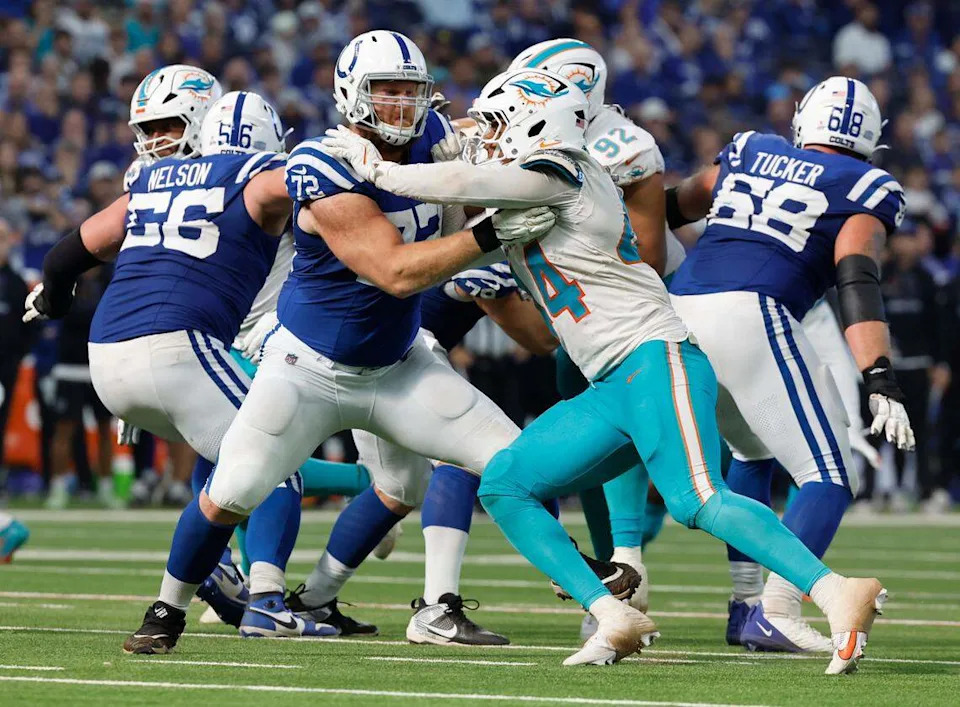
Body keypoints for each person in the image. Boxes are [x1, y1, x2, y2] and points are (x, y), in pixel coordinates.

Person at [325, 66, 889, 674]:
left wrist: (380, 171)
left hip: (655, 358)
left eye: (496, 123)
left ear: (534, 123)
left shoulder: (563, 170)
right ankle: (613, 613)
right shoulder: (530, 179)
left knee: (697, 499)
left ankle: (835, 589)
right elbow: (462, 172)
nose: (485, 135)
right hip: (612, 382)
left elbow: (464, 177)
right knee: (507, 484)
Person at [110, 31, 552, 655]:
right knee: (238, 483)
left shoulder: (430, 136)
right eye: (386, 91)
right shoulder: (308, 165)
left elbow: (471, 142)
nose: (402, 105)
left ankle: (598, 594)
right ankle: (177, 606)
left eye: (410, 91)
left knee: (460, 472)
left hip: (391, 355)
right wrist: (488, 236)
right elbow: (392, 269)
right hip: (301, 357)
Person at [23, 73, 329, 644]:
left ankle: (200, 589)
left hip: (110, 352)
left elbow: (66, 255)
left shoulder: (147, 179)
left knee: (223, 464)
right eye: (150, 128)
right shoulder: (255, 175)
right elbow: (319, 188)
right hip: (185, 344)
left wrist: (54, 300)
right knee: (273, 462)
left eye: (169, 126)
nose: (157, 140)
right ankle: (264, 600)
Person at [667, 76, 914, 653]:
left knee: (751, 451)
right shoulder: (866, 184)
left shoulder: (751, 148)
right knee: (832, 472)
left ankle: (745, 603)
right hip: (752, 313)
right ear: (871, 140)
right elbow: (857, 277)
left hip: (678, 308)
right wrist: (879, 375)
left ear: (804, 119)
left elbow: (671, 206)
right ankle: (776, 609)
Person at [287, 260, 560, 646]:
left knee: (397, 488)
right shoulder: (463, 241)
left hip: (364, 354)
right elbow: (538, 338)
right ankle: (438, 607)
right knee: (466, 455)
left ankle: (311, 600)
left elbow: (538, 339)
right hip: (394, 357)